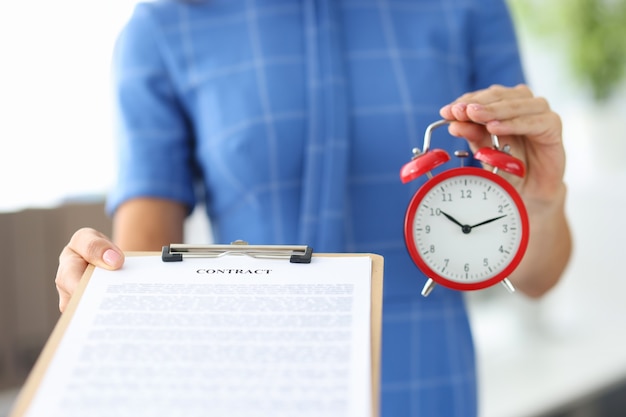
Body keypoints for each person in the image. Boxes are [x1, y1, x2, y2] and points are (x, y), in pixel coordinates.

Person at [55, 0, 571, 416]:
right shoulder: (163, 26)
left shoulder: (468, 8)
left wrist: (541, 202)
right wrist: (105, 286)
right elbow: (143, 269)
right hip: (250, 391)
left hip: (428, 390)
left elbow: (537, 277)